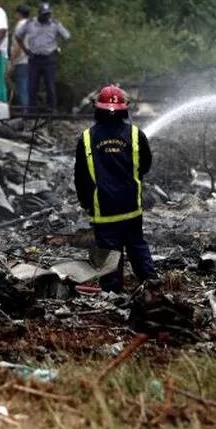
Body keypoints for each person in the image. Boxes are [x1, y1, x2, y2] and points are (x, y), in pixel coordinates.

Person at [74, 85, 156, 293]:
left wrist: (86, 203)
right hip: (131, 207)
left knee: (109, 254)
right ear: (124, 109)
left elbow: (81, 177)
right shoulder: (137, 135)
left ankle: (113, 294)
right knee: (137, 246)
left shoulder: (86, 138)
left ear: (97, 109)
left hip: (103, 208)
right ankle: (152, 284)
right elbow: (145, 166)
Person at [16, 2, 71, 112]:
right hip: (34, 57)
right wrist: (26, 51)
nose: (46, 16)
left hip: (49, 58)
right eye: (44, 14)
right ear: (39, 13)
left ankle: (51, 109)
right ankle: (32, 110)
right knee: (32, 86)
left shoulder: (54, 24)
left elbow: (67, 37)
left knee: (50, 85)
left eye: (48, 14)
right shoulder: (30, 23)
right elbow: (18, 36)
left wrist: (59, 49)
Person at [8, 4, 31, 109]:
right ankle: (29, 110)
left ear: (19, 14)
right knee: (27, 86)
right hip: (30, 60)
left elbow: (18, 46)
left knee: (22, 87)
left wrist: (11, 61)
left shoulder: (20, 26)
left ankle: (25, 111)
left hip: (21, 61)